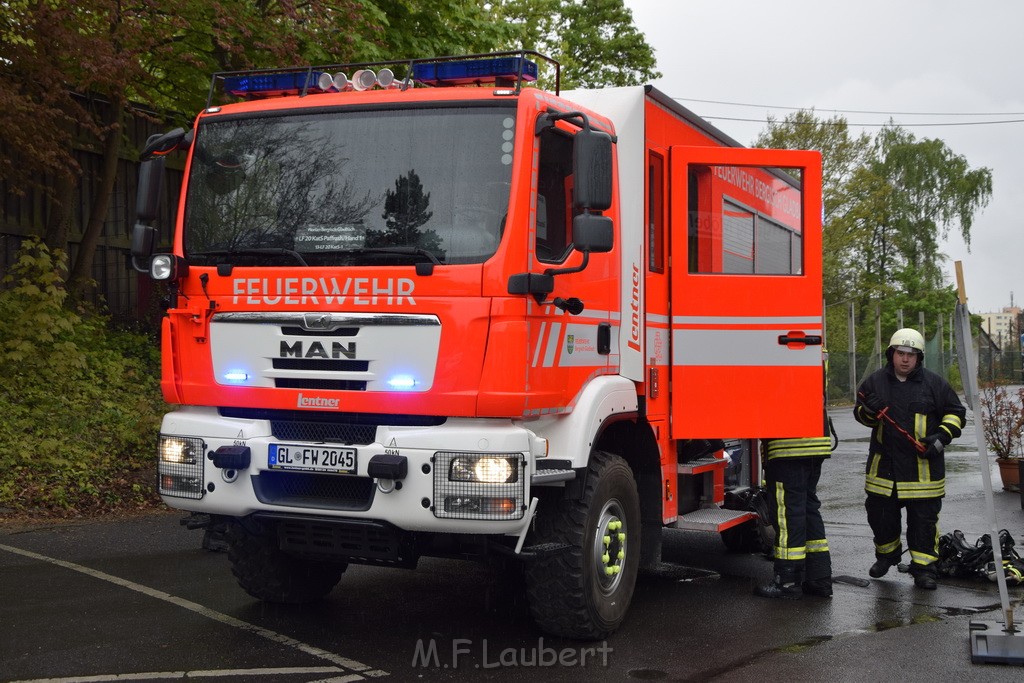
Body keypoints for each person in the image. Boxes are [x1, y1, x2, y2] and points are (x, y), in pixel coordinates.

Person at [854, 328, 966, 590]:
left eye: (911, 355)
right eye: (900, 353)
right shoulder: (874, 382)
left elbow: (956, 414)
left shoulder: (935, 384)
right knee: (880, 518)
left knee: (923, 524)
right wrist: (868, 412)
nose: (905, 359)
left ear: (919, 358)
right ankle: (887, 556)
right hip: (884, 472)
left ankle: (924, 568)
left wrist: (939, 439)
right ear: (891, 354)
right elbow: (861, 415)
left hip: (923, 472)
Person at [754, 435, 833, 599]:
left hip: (787, 448)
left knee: (787, 514)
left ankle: (787, 582)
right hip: (816, 445)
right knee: (808, 510)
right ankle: (818, 579)